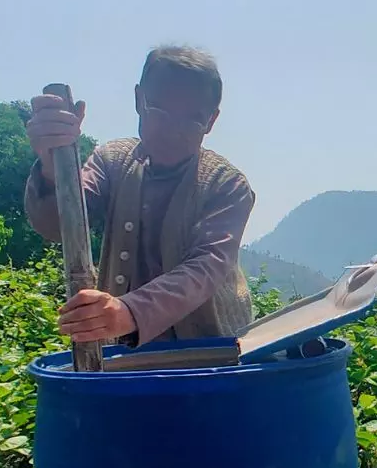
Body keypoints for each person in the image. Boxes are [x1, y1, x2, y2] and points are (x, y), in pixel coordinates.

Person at [23, 45, 256, 347]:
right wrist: (53, 165)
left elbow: (206, 267)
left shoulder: (226, 185)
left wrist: (128, 311)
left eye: (192, 119)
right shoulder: (113, 161)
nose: (172, 130)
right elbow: (58, 226)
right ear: (138, 100)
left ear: (211, 121)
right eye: (159, 111)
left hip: (212, 357)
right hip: (124, 360)